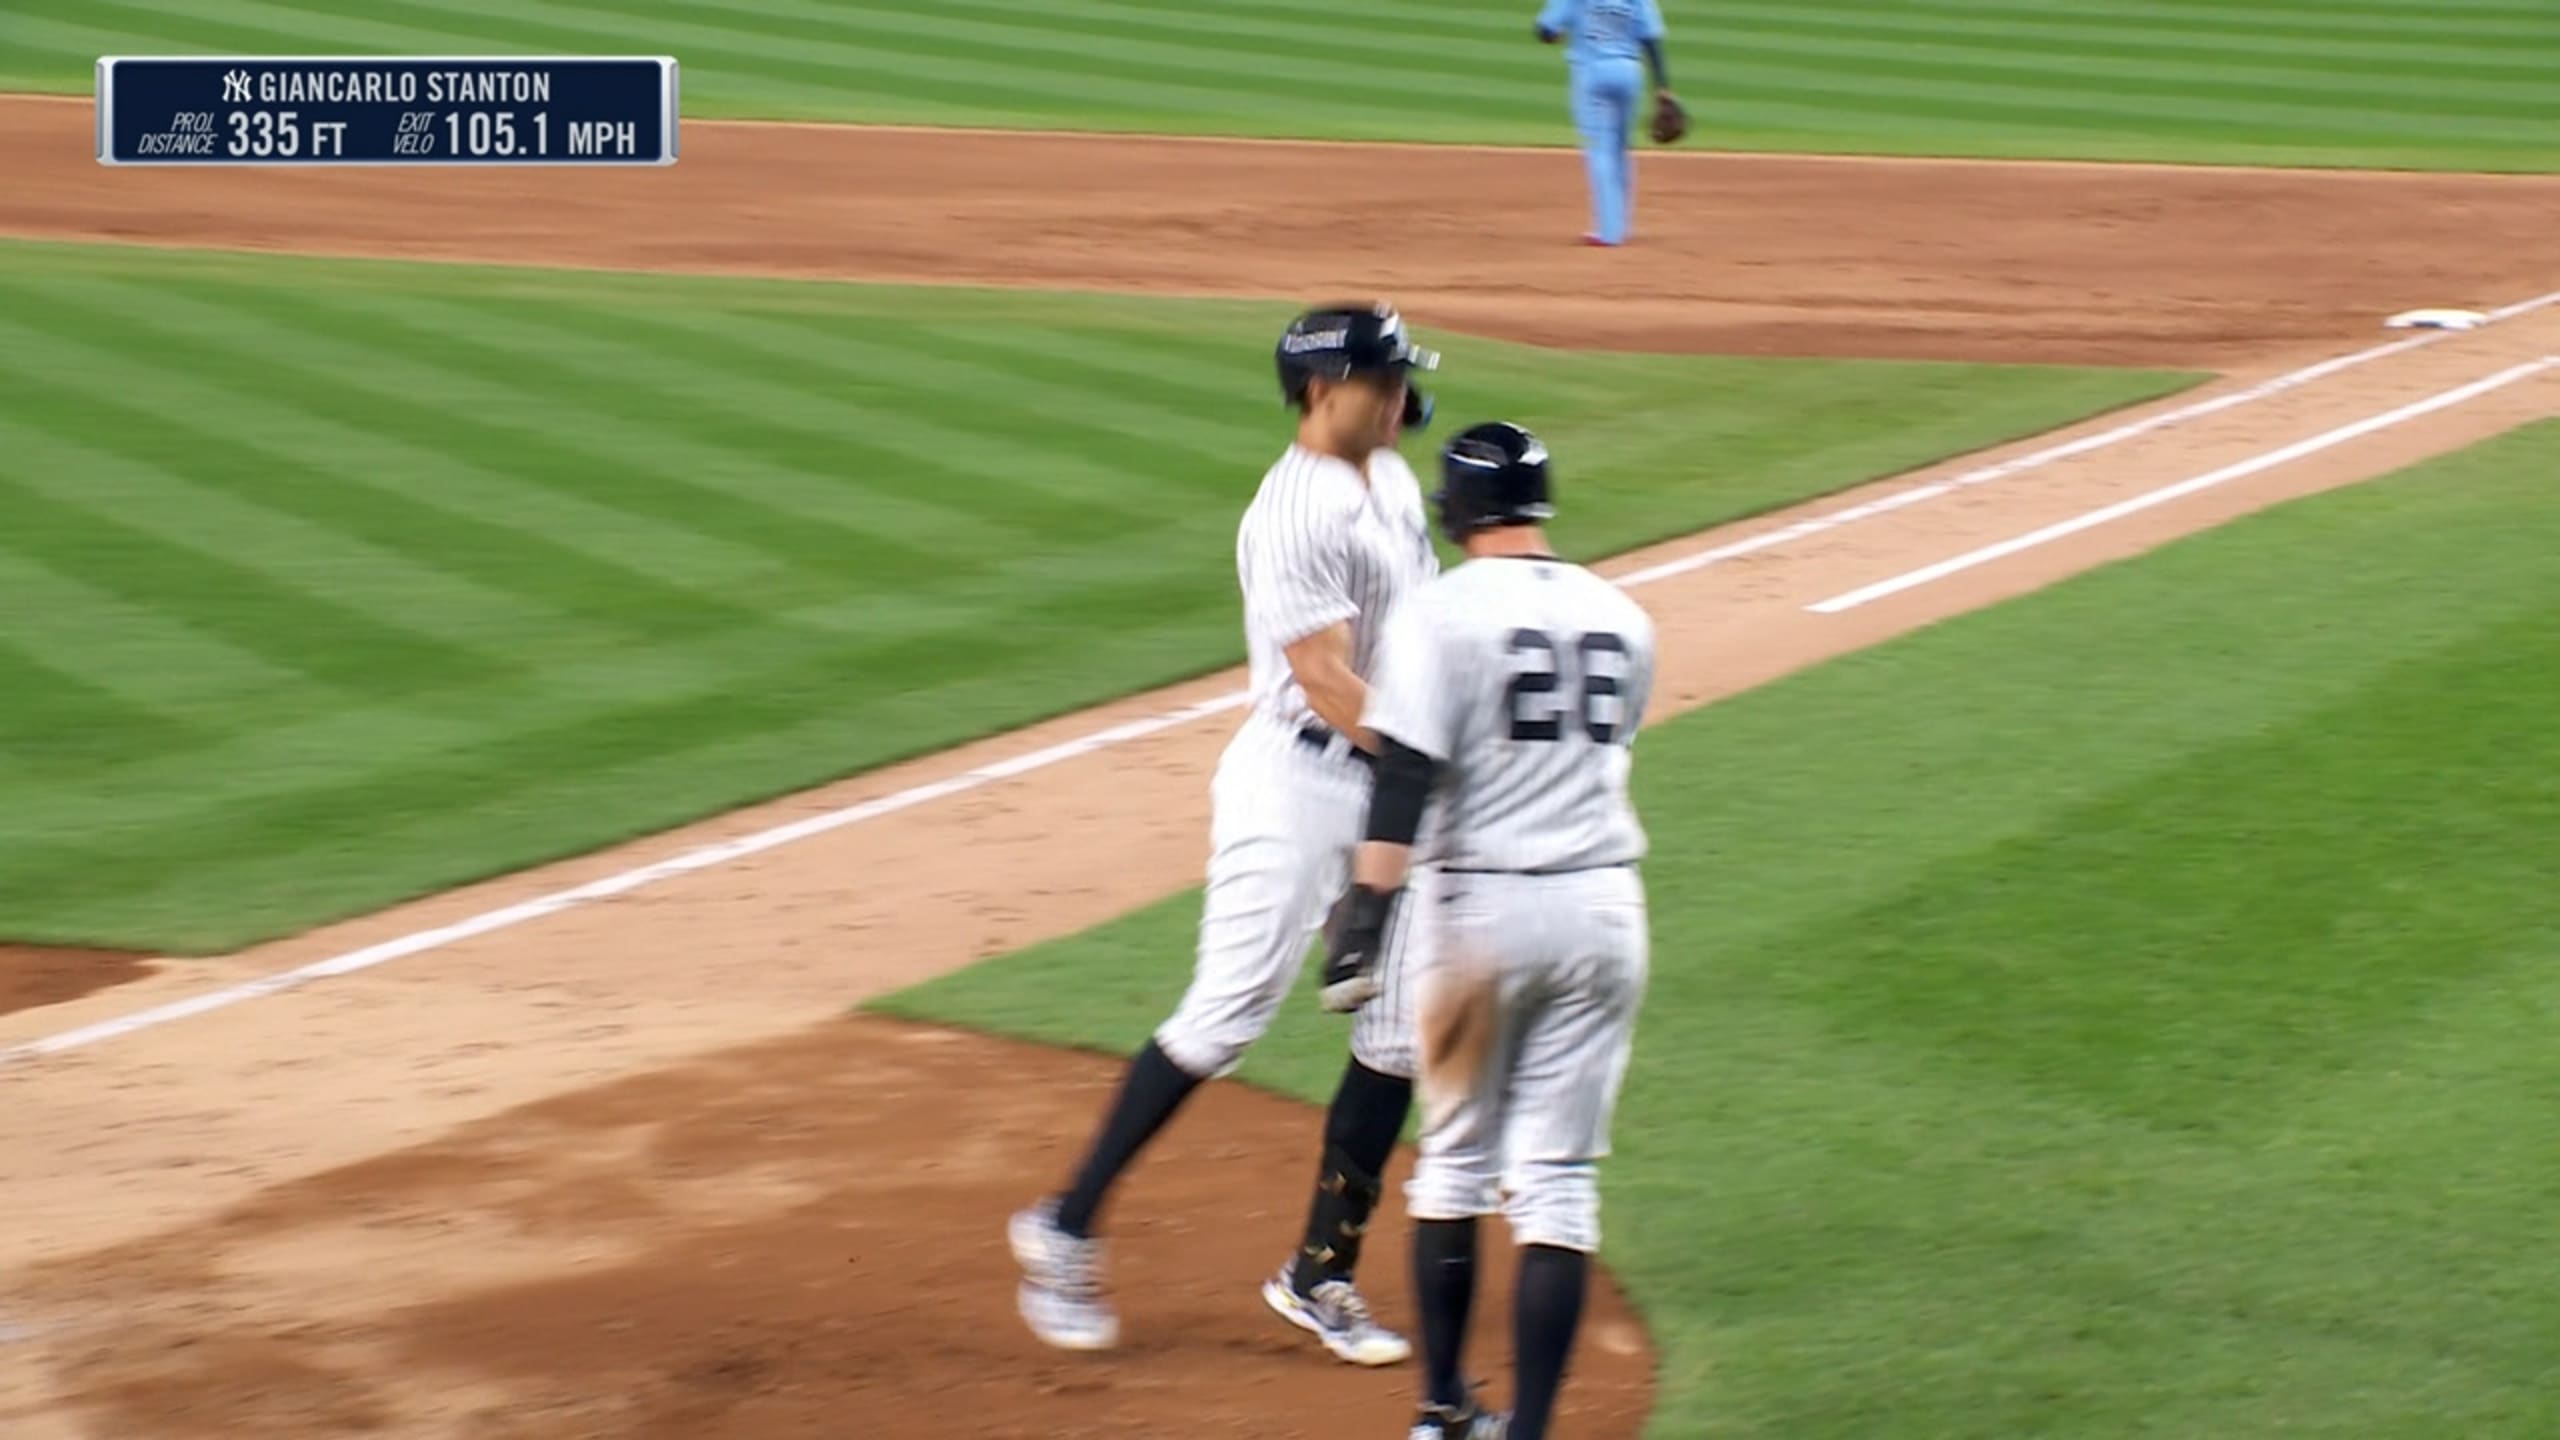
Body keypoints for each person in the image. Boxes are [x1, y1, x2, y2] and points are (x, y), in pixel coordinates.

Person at [1009, 302, 1444, 1368]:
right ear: (1316, 390)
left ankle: (1319, 1275)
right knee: (1224, 1018)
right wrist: (1429, 761)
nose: (1398, 398)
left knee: (1393, 1037)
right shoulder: (1291, 513)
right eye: (1378, 381)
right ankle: (1062, 1227)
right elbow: (1329, 683)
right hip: (1298, 785)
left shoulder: (1384, 475)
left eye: (1399, 380)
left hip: (1391, 784)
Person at [1321, 422, 1656, 1439]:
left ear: (1454, 513)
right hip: (1604, 913)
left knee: (1457, 1166)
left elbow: (1406, 769)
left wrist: (1367, 912)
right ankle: (1532, 1428)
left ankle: (1440, 1412)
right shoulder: (1624, 614)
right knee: (1557, 1186)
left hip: (1480, 920)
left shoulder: (1441, 612)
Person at [1537, 0, 1676, 246]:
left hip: (1592, 72)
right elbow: (1651, 40)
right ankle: (1622, 226)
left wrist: (1556, 35)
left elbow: (1546, 30)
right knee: (1621, 150)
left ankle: (1608, 232)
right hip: (1628, 72)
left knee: (1600, 149)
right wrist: (1663, 88)